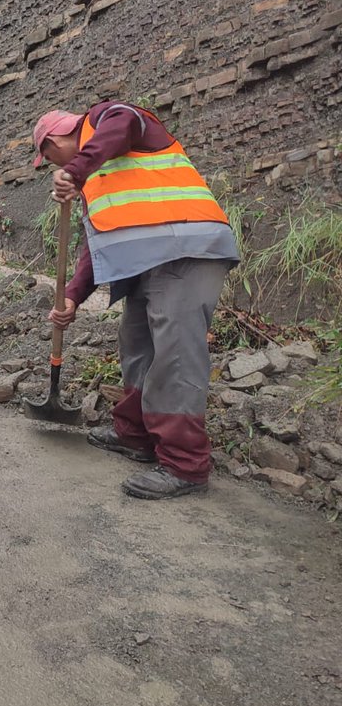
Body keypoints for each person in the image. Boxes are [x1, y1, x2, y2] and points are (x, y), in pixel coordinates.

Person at [33, 102, 240, 500]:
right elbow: (97, 247)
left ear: (55, 139)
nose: (48, 165)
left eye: (46, 157)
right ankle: (136, 435)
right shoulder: (97, 178)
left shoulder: (109, 118)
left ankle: (185, 465)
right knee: (137, 346)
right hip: (147, 264)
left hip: (186, 248)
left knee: (175, 355)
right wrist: (73, 298)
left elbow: (124, 123)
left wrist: (75, 170)